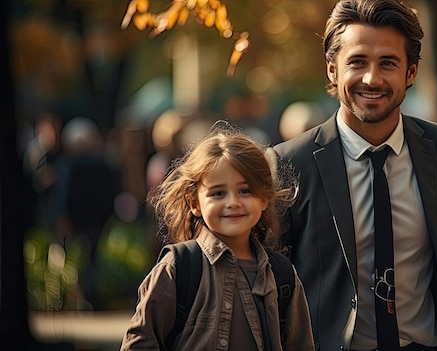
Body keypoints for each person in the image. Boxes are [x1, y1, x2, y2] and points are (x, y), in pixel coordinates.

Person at [266, 0, 437, 350]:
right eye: (357, 62)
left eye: (388, 63)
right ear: (332, 70)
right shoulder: (289, 163)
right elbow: (269, 288)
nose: (372, 78)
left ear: (411, 72)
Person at [121, 121, 314, 351]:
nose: (233, 202)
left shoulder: (282, 275)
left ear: (264, 198)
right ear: (194, 203)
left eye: (245, 190)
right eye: (218, 193)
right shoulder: (180, 268)